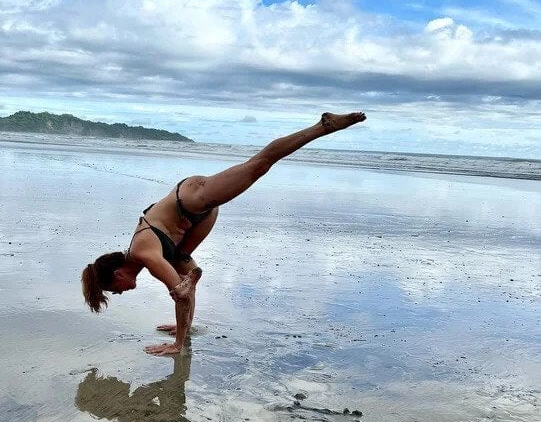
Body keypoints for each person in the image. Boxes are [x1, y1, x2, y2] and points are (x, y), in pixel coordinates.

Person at [81, 111, 366, 356]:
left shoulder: (143, 252)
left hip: (192, 200)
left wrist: (177, 344)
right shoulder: (146, 254)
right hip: (194, 219)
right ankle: (188, 296)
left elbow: (179, 295)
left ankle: (323, 126)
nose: (120, 292)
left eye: (114, 290)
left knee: (258, 166)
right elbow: (185, 291)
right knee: (186, 277)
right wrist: (184, 326)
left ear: (119, 274)